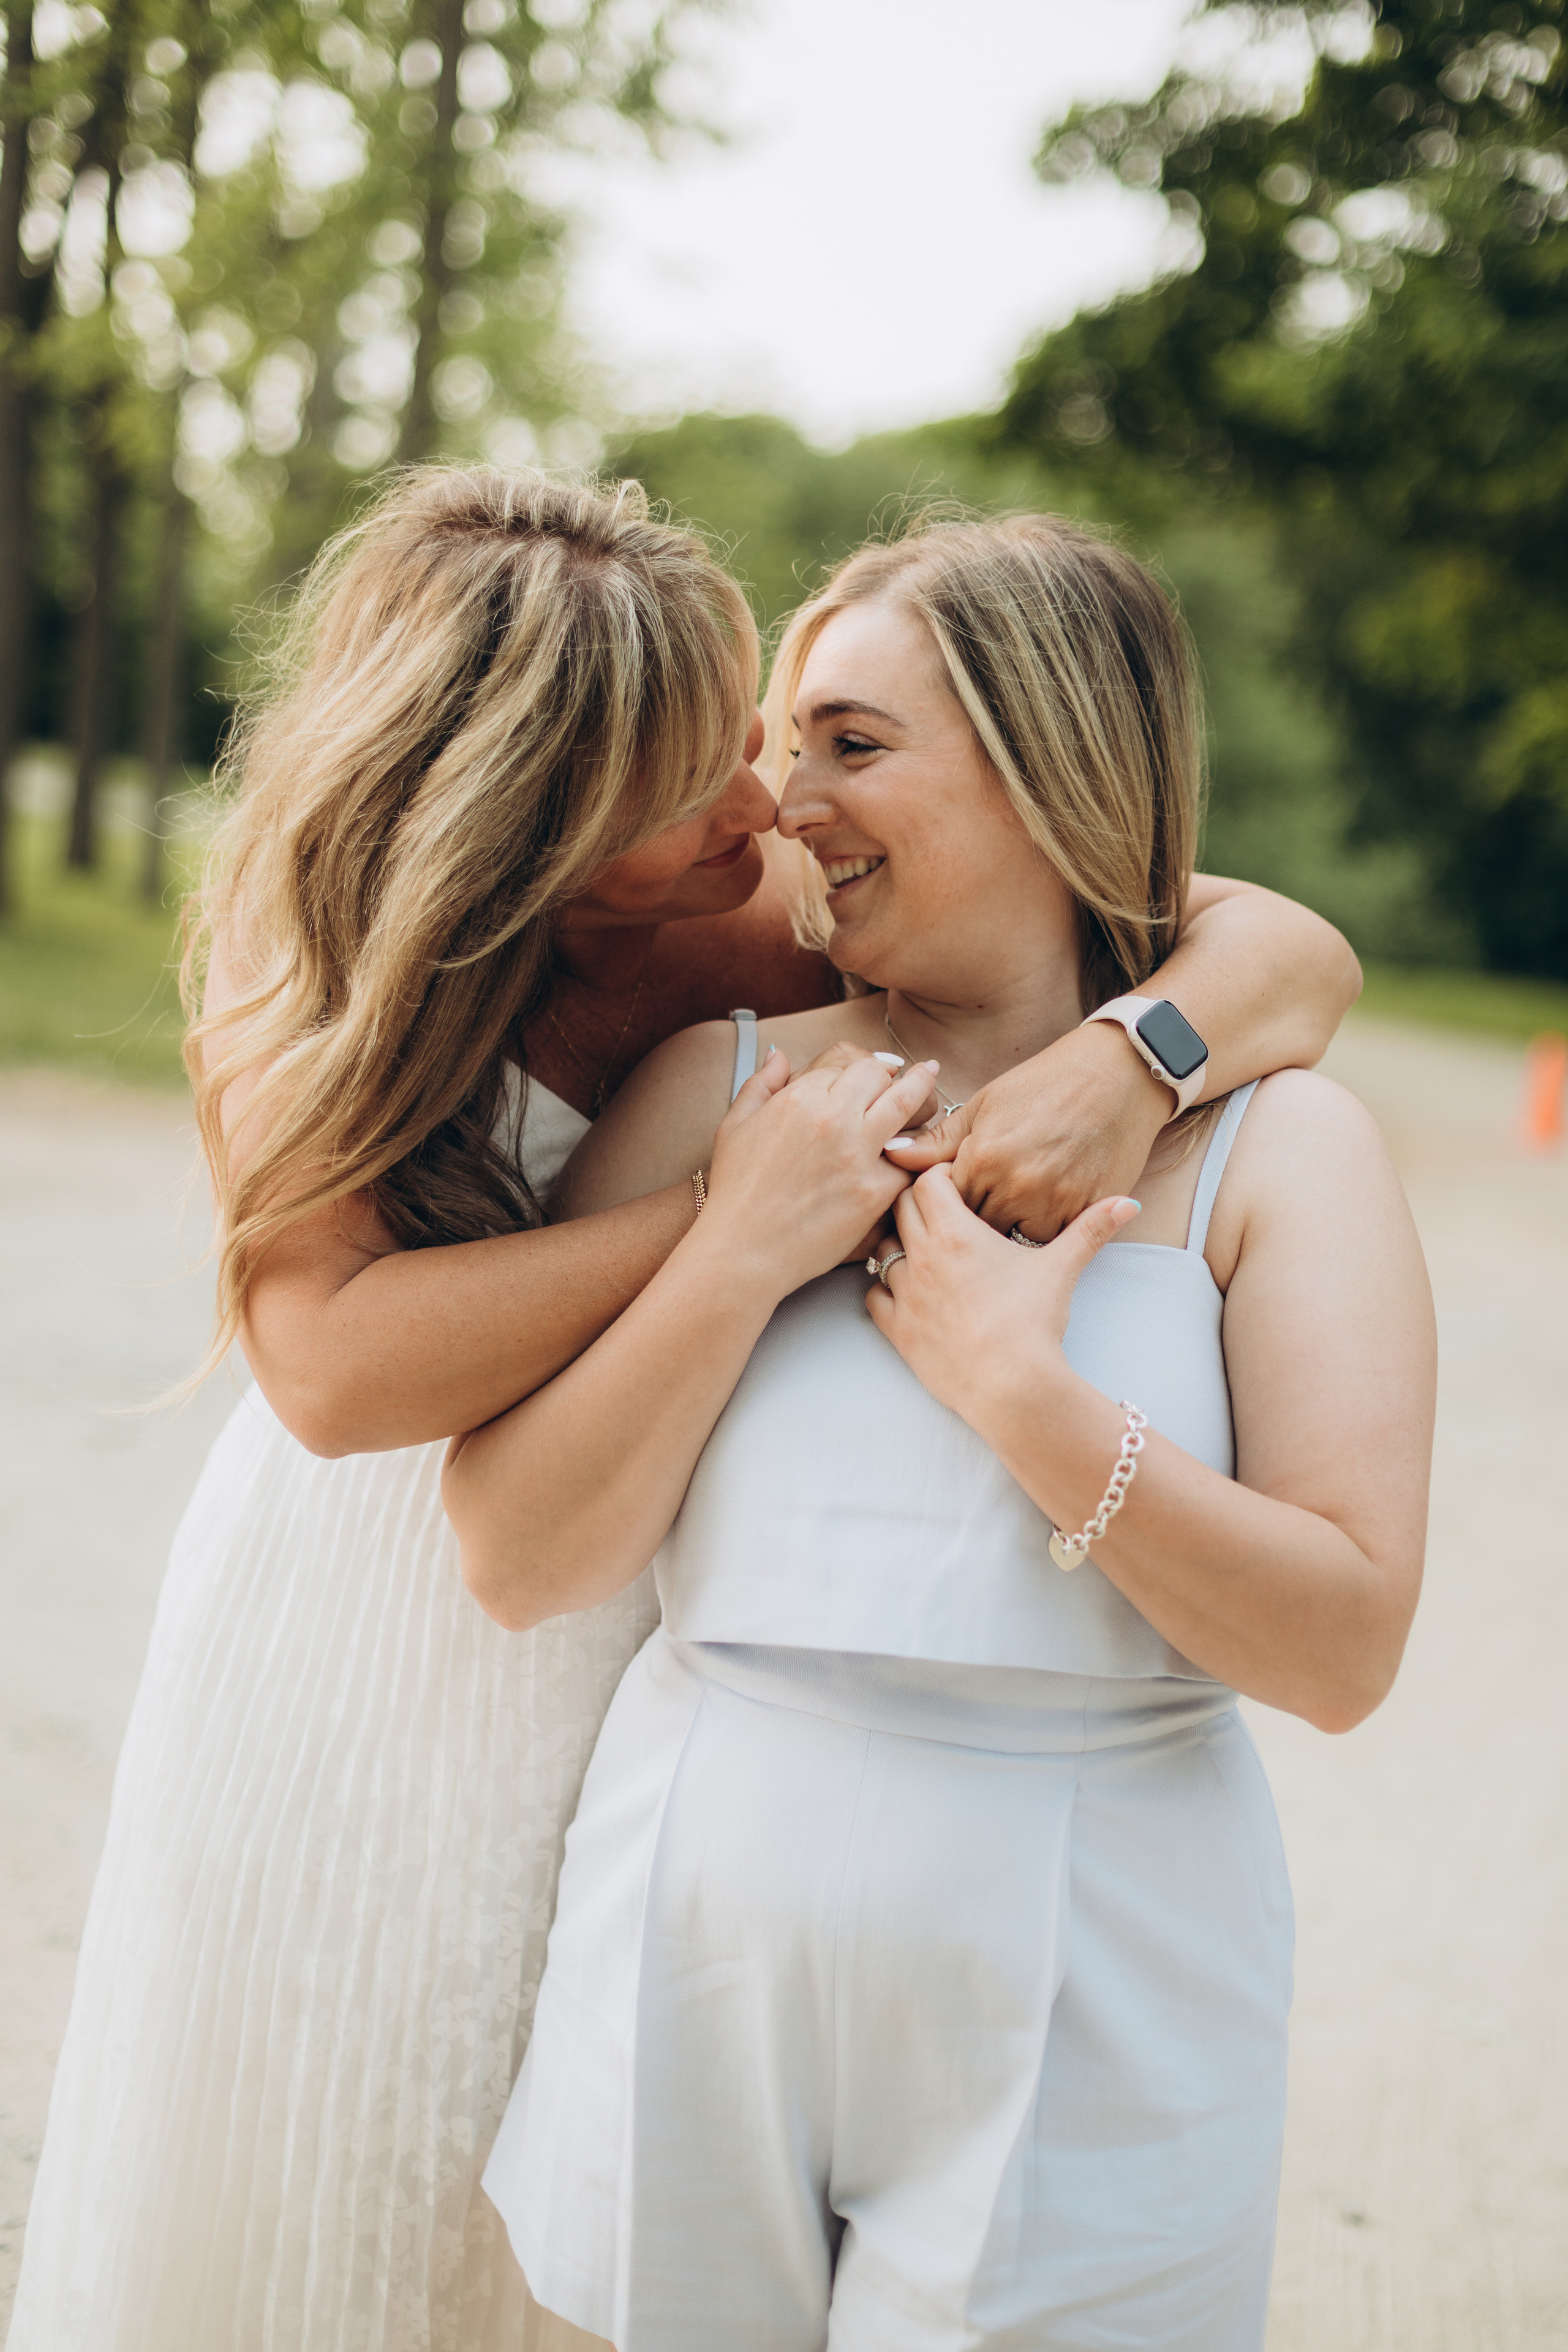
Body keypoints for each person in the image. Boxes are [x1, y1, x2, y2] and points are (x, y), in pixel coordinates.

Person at [11, 473, 1357, 2352]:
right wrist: (722, 1222)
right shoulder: (308, 952)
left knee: (560, 2162)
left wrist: (1136, 1064)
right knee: (314, 2148)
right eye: (690, 785)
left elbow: (1270, 944)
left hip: (620, 1583)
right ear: (531, 826)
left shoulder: (751, 921)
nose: (764, 805)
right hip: (359, 1599)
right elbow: (328, 1375)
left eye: (760, 739)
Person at [453, 514, 1437, 2352]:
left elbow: (1346, 1644)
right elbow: (519, 1557)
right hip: (694, 1933)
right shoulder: (722, 1086)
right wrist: (737, 1254)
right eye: (781, 743)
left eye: (851, 742)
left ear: (1056, 758)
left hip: (1094, 1982)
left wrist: (1024, 1401)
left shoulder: (1276, 1152)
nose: (782, 800)